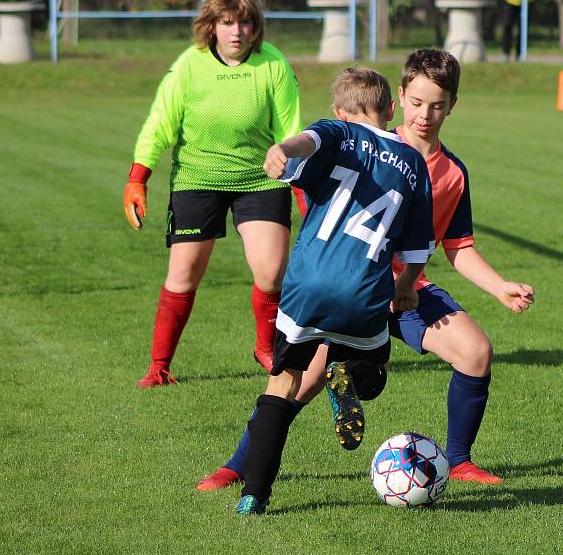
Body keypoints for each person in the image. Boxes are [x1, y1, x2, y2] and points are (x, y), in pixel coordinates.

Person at [197, 49, 533, 492]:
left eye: (436, 105)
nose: (425, 115)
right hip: (352, 288)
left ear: (452, 104)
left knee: (475, 352)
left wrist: (500, 286)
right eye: (416, 103)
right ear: (398, 98)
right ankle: (238, 464)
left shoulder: (452, 173)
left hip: (406, 290)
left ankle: (459, 461)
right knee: (299, 382)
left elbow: (458, 248)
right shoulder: (360, 143)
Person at [235, 67, 434, 515]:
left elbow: (308, 142)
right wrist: (403, 289)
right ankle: (348, 373)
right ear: (391, 108)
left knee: (281, 385)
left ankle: (254, 494)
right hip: (363, 294)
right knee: (374, 369)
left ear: (340, 111)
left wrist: (282, 148)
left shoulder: (336, 132)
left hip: (307, 286)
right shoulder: (415, 164)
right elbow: (419, 248)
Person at [122, 0, 300, 387]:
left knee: (271, 272)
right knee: (184, 272)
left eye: (245, 23)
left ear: (256, 28)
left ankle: (264, 347)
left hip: (260, 178)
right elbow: (159, 124)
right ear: (212, 25)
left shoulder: (273, 65)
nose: (236, 31)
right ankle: (159, 367)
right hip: (198, 177)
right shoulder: (189, 65)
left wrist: (299, 177)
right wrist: (139, 177)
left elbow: (291, 130)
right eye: (227, 22)